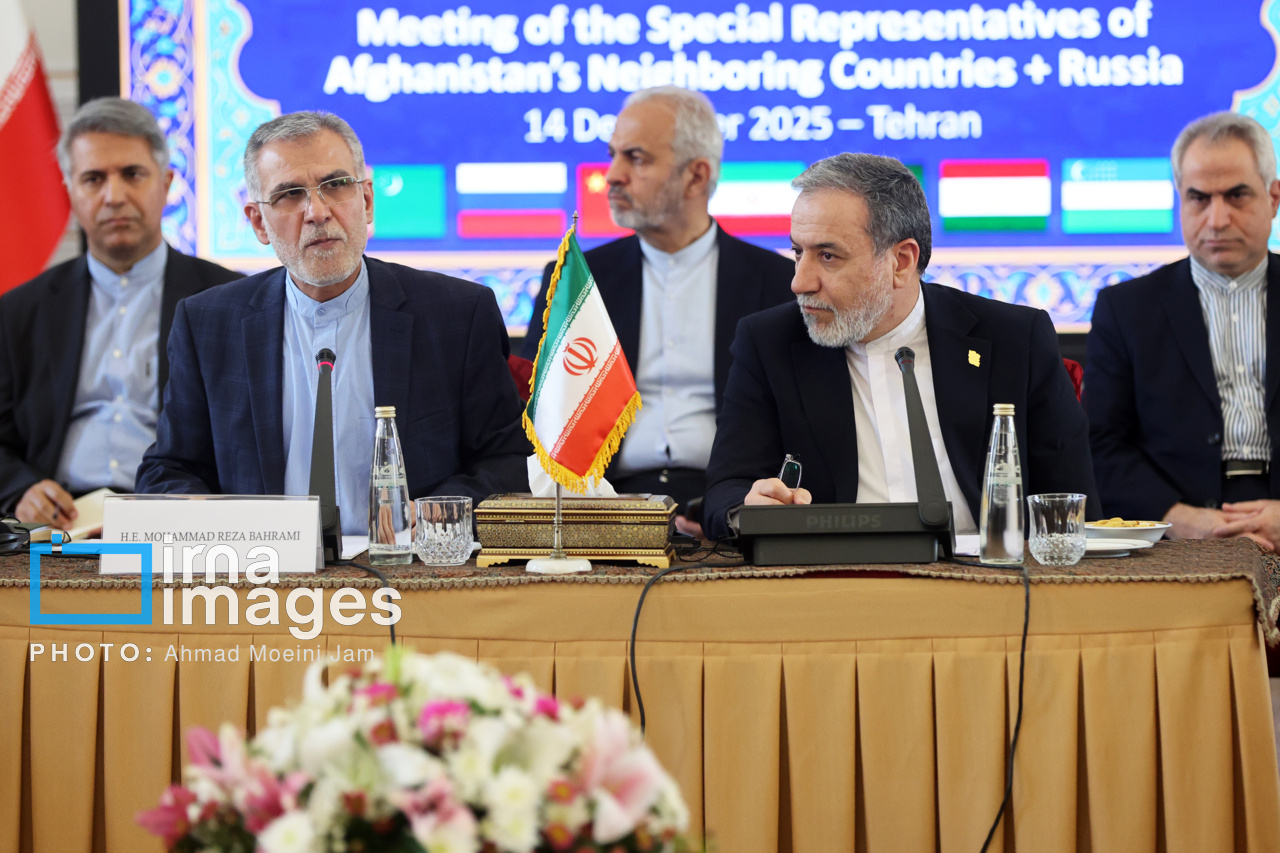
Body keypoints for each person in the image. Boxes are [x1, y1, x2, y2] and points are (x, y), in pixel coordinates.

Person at [135, 112, 529, 531]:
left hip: (408, 564)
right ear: (258, 222)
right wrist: (208, 516)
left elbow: (505, 464)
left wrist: (431, 516)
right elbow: (168, 469)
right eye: (289, 194)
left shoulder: (457, 314)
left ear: (367, 200)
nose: (317, 212)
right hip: (264, 568)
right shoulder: (207, 324)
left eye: (336, 185)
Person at [703, 153, 1099, 541]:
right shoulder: (768, 342)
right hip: (833, 574)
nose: (799, 282)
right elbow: (725, 491)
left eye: (827, 256)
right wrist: (749, 507)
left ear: (901, 261)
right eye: (797, 252)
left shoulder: (1014, 339)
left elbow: (1072, 507)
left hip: (988, 572)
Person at [521, 87, 795, 535]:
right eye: (612, 155)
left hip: (731, 504)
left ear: (696, 176)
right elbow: (535, 420)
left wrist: (732, 510)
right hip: (603, 504)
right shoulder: (576, 282)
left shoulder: (780, 284)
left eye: (636, 158)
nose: (612, 175)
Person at [0, 98, 240, 528]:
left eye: (132, 174)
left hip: (181, 523)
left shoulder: (231, 300)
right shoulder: (19, 311)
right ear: (69, 191)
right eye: (93, 179)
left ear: (166, 183)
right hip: (58, 526)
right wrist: (20, 490)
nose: (114, 196)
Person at [1085, 112, 1280, 549]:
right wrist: (1177, 520)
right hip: (1175, 532)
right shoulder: (1125, 310)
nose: (1217, 219)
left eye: (1236, 196)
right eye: (1199, 198)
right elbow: (1100, 444)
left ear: (1273, 198)